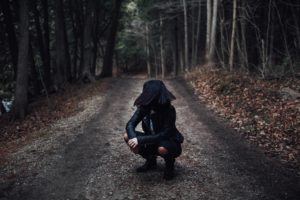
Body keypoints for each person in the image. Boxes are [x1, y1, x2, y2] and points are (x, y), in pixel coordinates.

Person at [124, 80, 184, 180]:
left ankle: (170, 165)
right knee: (127, 136)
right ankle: (151, 161)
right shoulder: (144, 108)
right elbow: (130, 124)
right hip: (152, 142)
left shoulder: (169, 110)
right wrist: (133, 139)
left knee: (162, 148)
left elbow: (164, 134)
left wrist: (139, 140)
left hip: (169, 143)